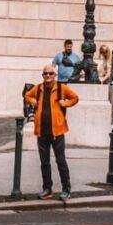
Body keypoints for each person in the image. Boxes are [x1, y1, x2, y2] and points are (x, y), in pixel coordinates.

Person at [24, 62, 78, 199]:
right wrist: (32, 101)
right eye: (45, 73)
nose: (48, 75)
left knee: (61, 161)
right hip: (42, 131)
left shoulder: (61, 88)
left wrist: (65, 103)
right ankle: (47, 189)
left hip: (57, 131)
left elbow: (75, 98)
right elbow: (27, 95)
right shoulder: (38, 88)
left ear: (55, 75)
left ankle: (66, 189)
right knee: (44, 162)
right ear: (42, 75)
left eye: (50, 73)